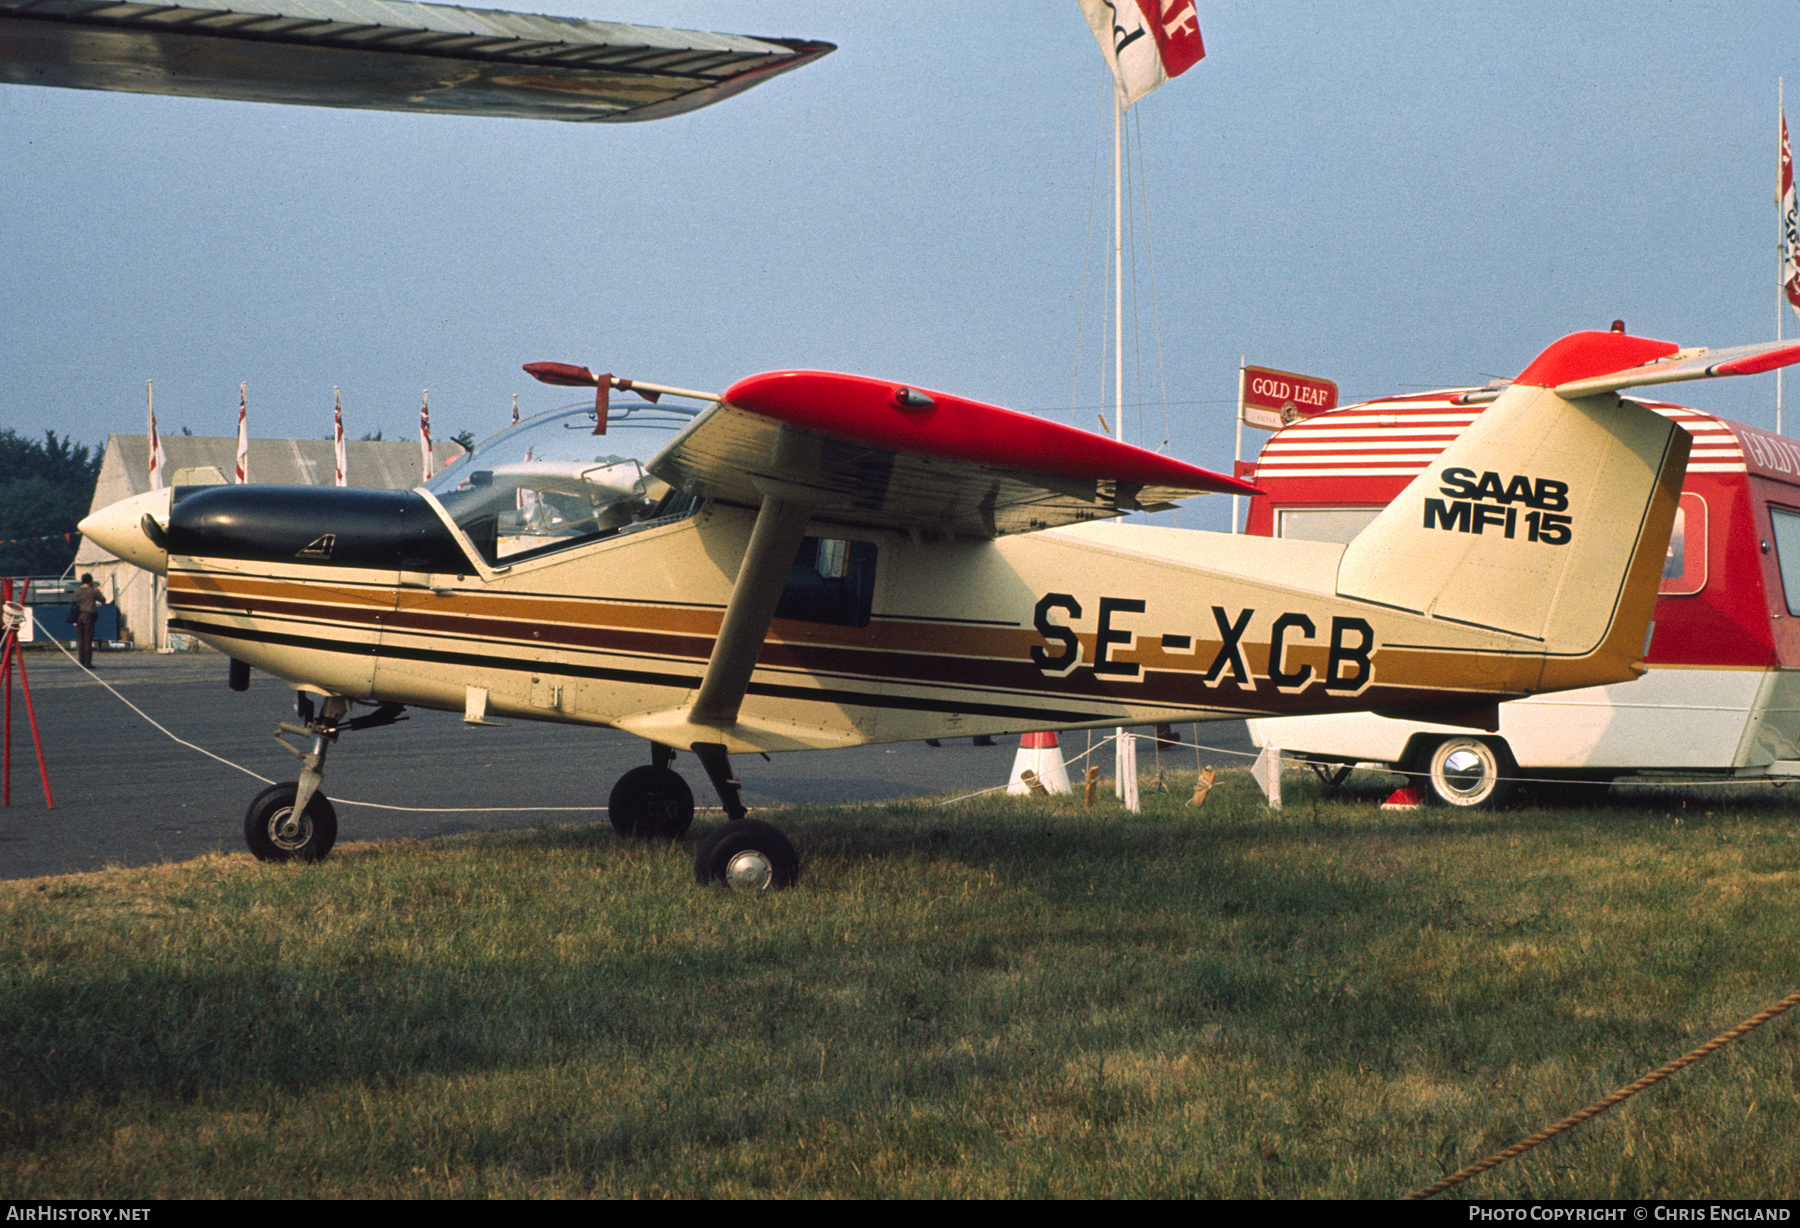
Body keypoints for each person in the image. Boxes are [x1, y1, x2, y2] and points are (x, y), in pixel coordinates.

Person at [73, 573, 102, 668]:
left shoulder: (77, 591)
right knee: (88, 639)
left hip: (79, 615)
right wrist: (97, 590)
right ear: (90, 581)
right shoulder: (92, 591)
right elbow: (103, 600)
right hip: (89, 615)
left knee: (81, 639)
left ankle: (81, 661)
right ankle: (88, 662)